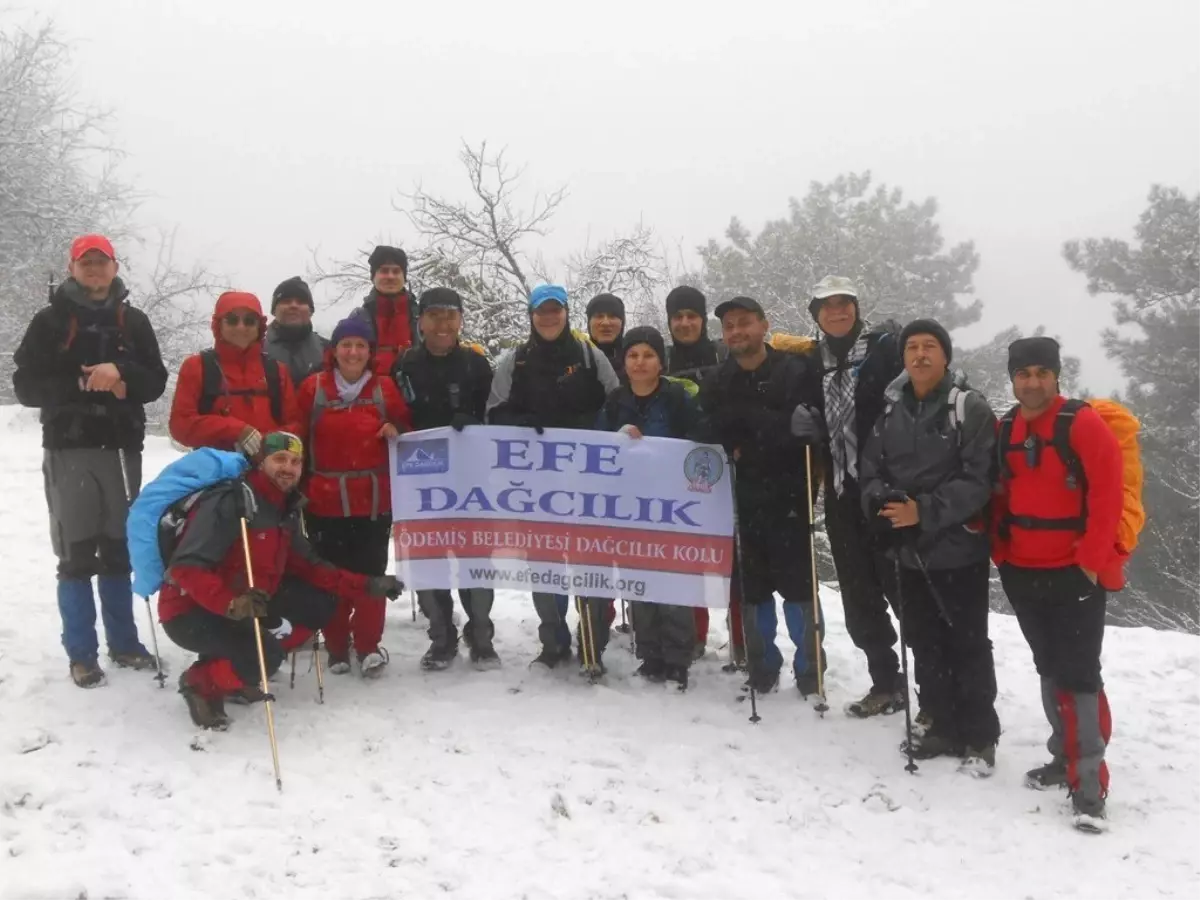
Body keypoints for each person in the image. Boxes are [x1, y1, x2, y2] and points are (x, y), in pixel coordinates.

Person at [159, 431, 402, 729]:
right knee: (264, 658)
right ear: (261, 462)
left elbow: (314, 568)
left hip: (250, 602)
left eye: (296, 461)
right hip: (191, 610)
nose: (288, 467)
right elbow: (186, 568)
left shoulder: (283, 510)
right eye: (280, 459)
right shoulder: (231, 502)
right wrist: (231, 604)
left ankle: (239, 667)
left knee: (319, 604)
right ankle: (201, 681)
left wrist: (368, 585)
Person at [12, 234, 169, 687]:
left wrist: (121, 373)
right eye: (86, 263)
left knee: (120, 548)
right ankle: (80, 652)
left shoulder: (134, 322)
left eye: (102, 262)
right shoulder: (49, 322)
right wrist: (83, 384)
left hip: (122, 448)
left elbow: (155, 380)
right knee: (77, 551)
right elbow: (25, 385)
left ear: (115, 268)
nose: (95, 270)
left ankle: (124, 643)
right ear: (73, 268)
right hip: (70, 448)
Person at [992, 336, 1123, 825]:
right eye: (1023, 374)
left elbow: (1108, 494)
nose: (1031, 382)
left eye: (1040, 373)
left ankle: (1090, 783)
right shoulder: (1006, 427)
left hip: (1074, 572)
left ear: (1056, 376)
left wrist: (1090, 559)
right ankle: (1063, 755)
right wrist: (1001, 552)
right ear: (1013, 379)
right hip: (1023, 570)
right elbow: (1000, 494)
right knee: (1048, 664)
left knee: (1080, 673)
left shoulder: (1081, 423)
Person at [859, 319, 1000, 772]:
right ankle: (939, 721)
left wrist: (924, 510)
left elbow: (979, 480)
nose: (920, 354)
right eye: (912, 347)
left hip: (958, 550)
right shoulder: (890, 410)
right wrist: (882, 502)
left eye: (929, 347)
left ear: (945, 355)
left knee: (968, 642)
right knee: (923, 641)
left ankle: (979, 734)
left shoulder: (968, 408)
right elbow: (870, 469)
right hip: (908, 550)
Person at [487, 284, 620, 670]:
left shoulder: (589, 355)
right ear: (531, 315)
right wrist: (521, 422)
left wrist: (589, 428)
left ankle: (593, 644)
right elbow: (494, 411)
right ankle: (554, 642)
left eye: (555, 310)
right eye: (541, 311)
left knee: (591, 562)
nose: (548, 317)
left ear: (566, 313)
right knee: (544, 563)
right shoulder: (518, 360)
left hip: (588, 480)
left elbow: (617, 402)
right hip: (536, 483)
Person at [698, 296, 824, 695]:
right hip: (740, 499)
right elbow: (712, 430)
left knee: (799, 587)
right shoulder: (719, 380)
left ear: (764, 325)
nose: (737, 331)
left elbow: (803, 429)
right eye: (729, 326)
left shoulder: (794, 370)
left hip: (790, 495)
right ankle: (763, 664)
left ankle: (810, 668)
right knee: (753, 590)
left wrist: (750, 427)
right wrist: (770, 425)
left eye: (744, 323)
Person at [804, 275, 908, 718]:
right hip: (842, 493)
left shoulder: (884, 349)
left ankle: (939, 689)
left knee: (906, 594)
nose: (837, 312)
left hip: (885, 488)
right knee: (859, 597)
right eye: (827, 306)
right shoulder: (813, 360)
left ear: (857, 308)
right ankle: (886, 681)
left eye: (844, 303)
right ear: (817, 315)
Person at [296, 317, 411, 678]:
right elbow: (295, 437)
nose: (353, 352)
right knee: (331, 576)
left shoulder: (384, 388)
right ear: (334, 351)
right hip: (324, 499)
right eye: (346, 344)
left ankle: (367, 646)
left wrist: (397, 429)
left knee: (370, 574)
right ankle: (335, 647)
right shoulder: (313, 389)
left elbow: (408, 428)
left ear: (370, 352)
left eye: (361, 345)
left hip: (373, 500)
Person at [392, 287, 499, 670]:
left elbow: (496, 415)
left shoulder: (476, 364)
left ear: (461, 320)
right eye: (434, 315)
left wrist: (476, 423)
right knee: (428, 559)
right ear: (420, 321)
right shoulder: (405, 365)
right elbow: (392, 413)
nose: (443, 323)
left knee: (476, 558)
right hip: (420, 479)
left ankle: (481, 635)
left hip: (471, 478)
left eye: (450, 315)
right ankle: (442, 636)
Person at [595, 326, 702, 688]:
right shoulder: (614, 400)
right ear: (624, 362)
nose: (640, 362)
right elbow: (597, 448)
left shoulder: (677, 399)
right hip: (630, 506)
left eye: (648, 355)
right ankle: (651, 654)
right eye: (633, 355)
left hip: (673, 506)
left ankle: (678, 658)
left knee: (672, 584)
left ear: (661, 361)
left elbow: (698, 441)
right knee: (640, 582)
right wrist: (617, 438)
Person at [663, 285, 729, 659]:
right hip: (677, 471)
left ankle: (743, 643)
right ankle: (693, 636)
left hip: (726, 467)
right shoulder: (664, 359)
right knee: (684, 560)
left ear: (704, 320)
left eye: (692, 316)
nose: (685, 323)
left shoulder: (723, 353)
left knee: (734, 558)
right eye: (678, 317)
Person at [169, 291, 301, 453]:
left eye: (249, 321)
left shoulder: (277, 371)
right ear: (219, 324)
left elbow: (295, 425)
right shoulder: (197, 367)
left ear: (259, 326)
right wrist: (236, 430)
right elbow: (180, 426)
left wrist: (267, 442)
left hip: (267, 469)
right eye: (232, 320)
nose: (241, 327)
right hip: (214, 469)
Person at [348, 245, 420, 375]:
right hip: (372, 391)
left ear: (404, 277)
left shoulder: (420, 315)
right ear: (373, 276)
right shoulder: (359, 318)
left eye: (396, 271)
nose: (390, 276)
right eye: (384, 271)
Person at [264, 276, 328, 388]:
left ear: (311, 311)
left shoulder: (329, 350)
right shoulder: (257, 350)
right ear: (274, 311)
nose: (293, 305)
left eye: (301, 302)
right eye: (286, 301)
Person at [586, 292, 626, 375]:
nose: (606, 323)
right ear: (589, 323)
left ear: (622, 322)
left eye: (612, 316)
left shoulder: (637, 361)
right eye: (599, 316)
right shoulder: (576, 359)